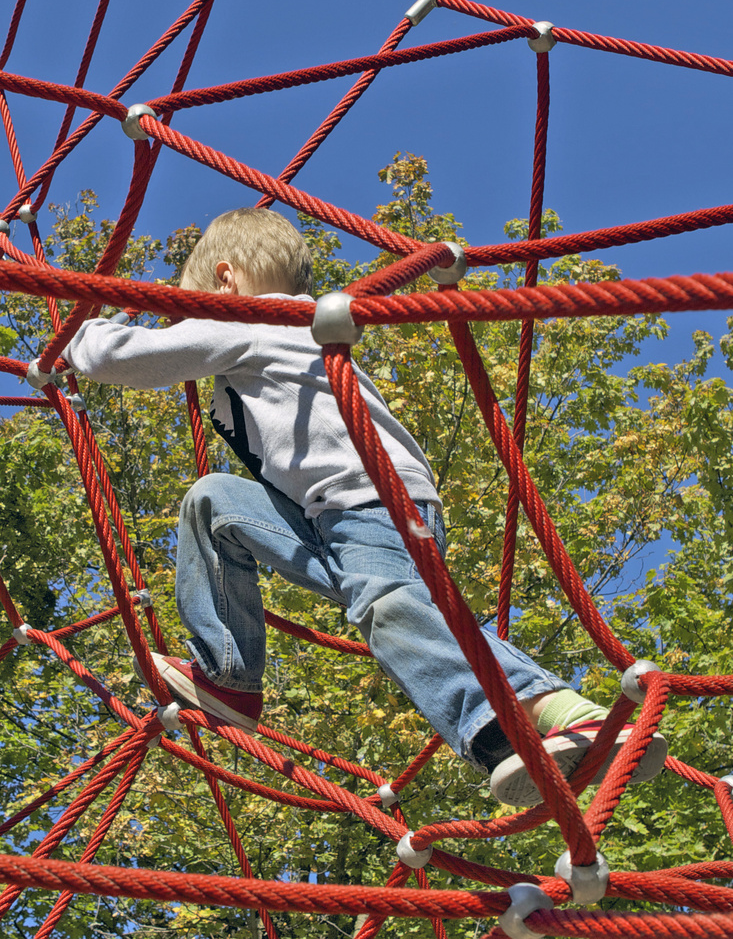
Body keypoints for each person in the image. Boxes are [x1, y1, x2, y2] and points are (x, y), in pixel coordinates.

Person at [64, 207, 666, 807]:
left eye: (196, 308)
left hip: (370, 498)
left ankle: (528, 722)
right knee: (214, 503)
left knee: (391, 606)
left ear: (227, 281)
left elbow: (120, 360)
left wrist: (82, 332)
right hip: (328, 515)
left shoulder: (251, 321)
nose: (193, 323)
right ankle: (230, 677)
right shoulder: (290, 329)